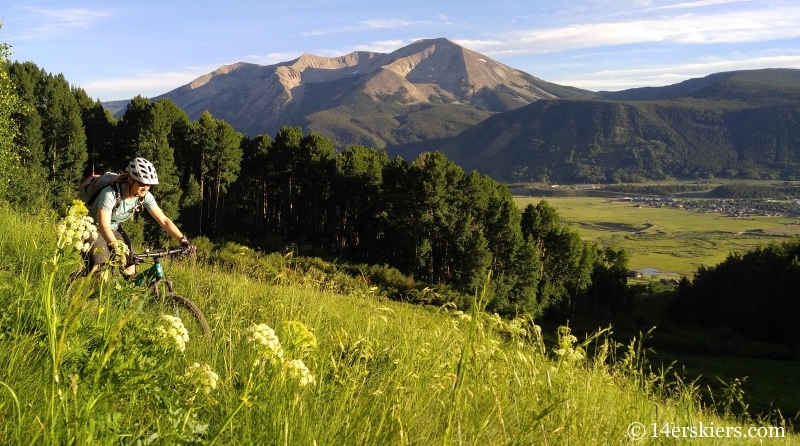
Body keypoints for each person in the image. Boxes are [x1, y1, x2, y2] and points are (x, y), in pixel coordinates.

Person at [86, 157, 194, 276]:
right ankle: (88, 291)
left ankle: (131, 294)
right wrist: (117, 249)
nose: (146, 188)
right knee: (100, 271)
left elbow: (164, 220)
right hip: (93, 229)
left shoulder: (144, 196)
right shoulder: (110, 193)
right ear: (130, 180)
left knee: (130, 269)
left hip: (114, 228)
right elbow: (103, 225)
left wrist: (182, 239)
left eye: (149, 184)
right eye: (141, 183)